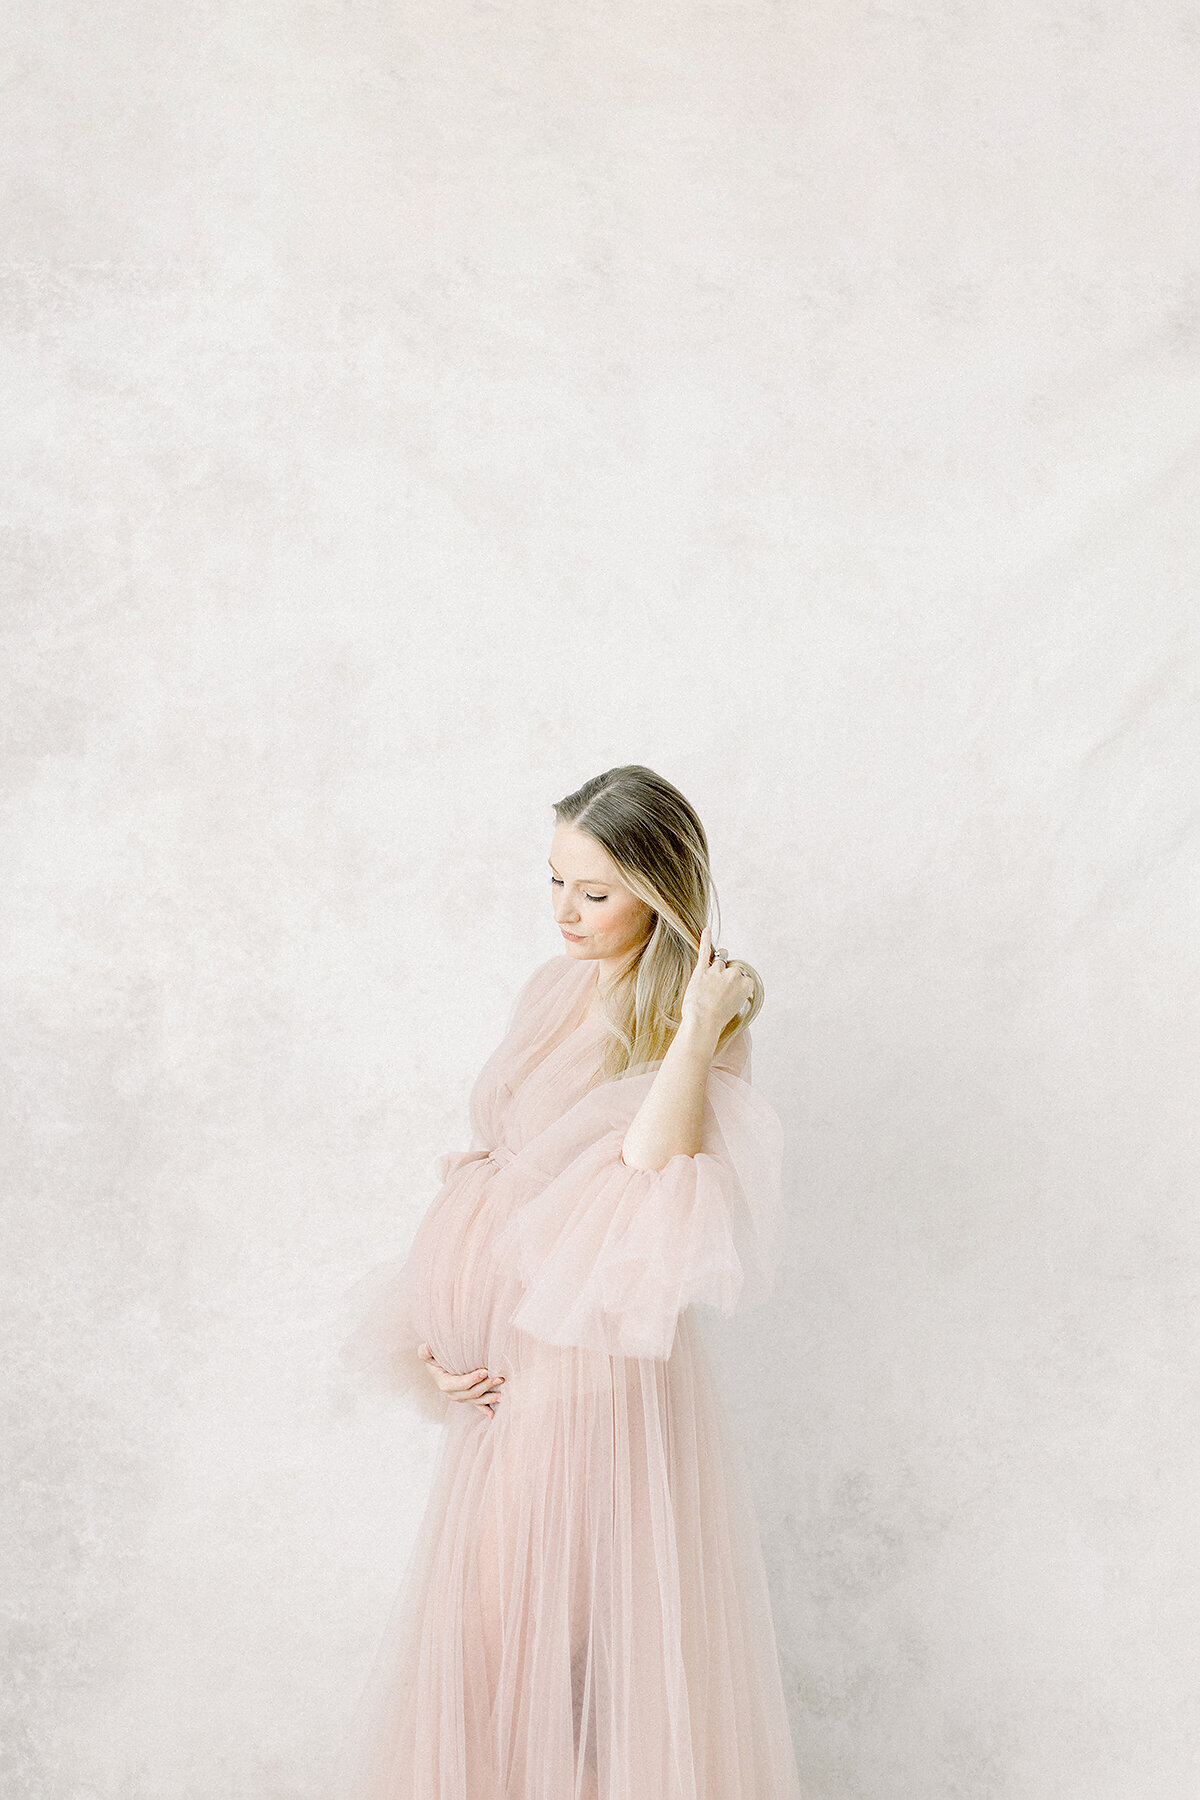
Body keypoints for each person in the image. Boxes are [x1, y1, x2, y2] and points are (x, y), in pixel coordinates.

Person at [330, 764, 802, 1800]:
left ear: (663, 888)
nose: (565, 913)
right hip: (503, 1378)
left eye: (594, 893)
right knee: (493, 1657)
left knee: (542, 1656)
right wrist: (438, 1332)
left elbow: (652, 1186)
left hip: (584, 1380)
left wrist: (693, 1030)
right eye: (553, 883)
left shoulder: (698, 1017)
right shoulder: (552, 987)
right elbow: (504, 1180)